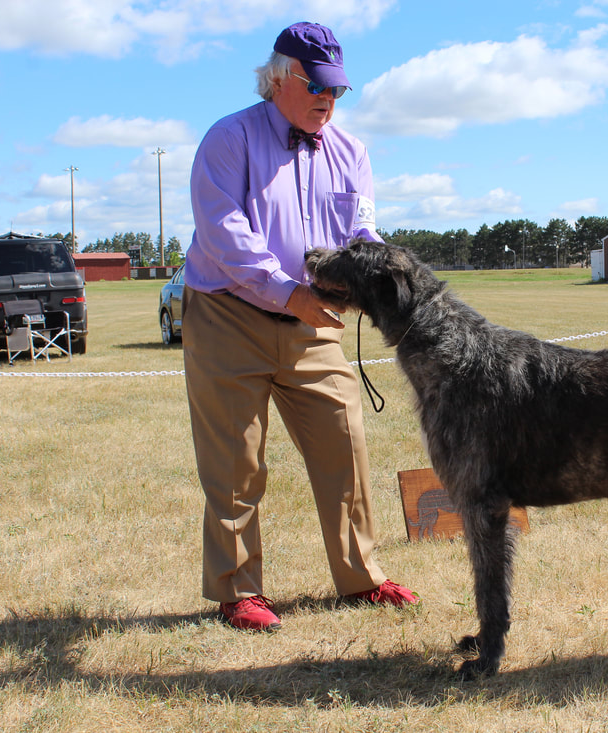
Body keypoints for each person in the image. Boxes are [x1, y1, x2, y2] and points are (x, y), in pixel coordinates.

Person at [182, 21, 416, 632]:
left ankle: (362, 577)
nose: (327, 102)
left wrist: (376, 272)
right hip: (229, 312)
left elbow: (361, 230)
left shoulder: (352, 151)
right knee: (236, 461)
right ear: (281, 77)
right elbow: (224, 236)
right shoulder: (228, 139)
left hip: (312, 318)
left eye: (338, 91)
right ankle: (240, 591)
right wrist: (288, 294)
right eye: (316, 88)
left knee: (345, 442)